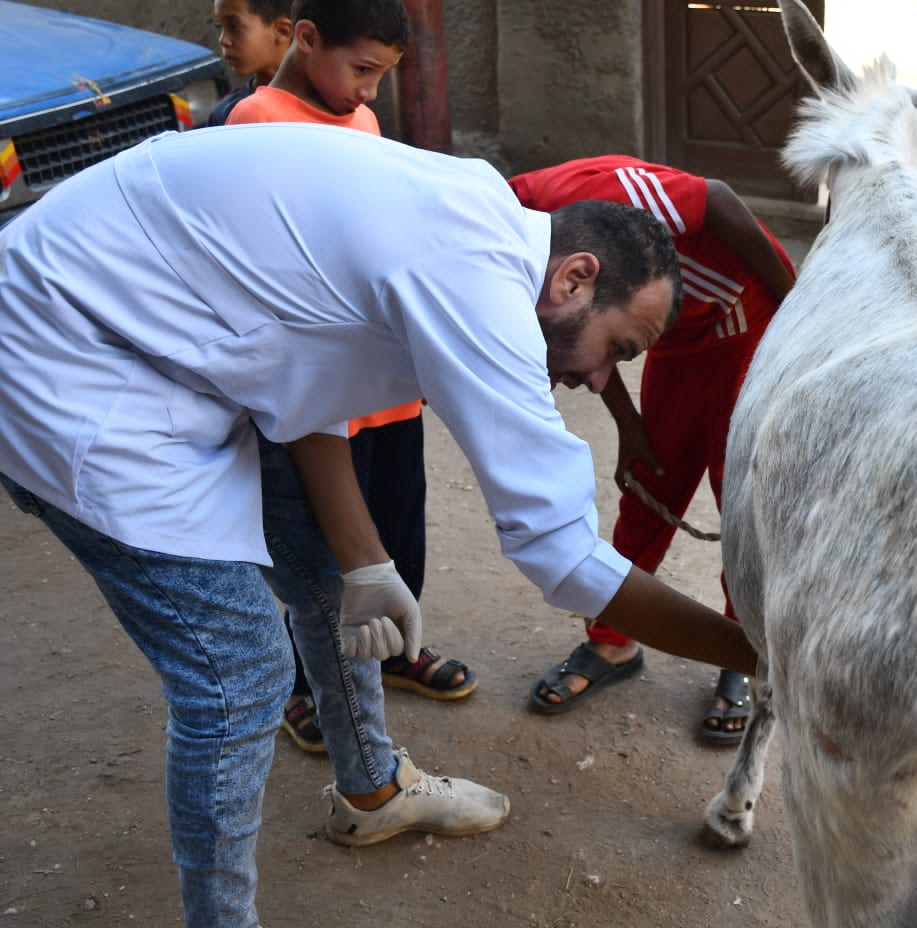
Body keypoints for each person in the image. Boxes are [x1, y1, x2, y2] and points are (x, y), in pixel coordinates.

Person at [0, 123, 758, 927]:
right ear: (574, 277)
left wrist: (363, 561)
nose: (597, 378)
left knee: (322, 561)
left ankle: (371, 790)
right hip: (63, 353)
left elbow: (304, 375)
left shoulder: (472, 210)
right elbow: (562, 555)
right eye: (618, 347)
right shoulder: (479, 283)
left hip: (140, 324)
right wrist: (760, 652)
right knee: (241, 671)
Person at [225, 0, 477, 756]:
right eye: (362, 69)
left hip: (384, 382)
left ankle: (397, 646)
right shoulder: (256, 120)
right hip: (317, 391)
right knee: (327, 547)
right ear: (305, 39)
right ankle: (309, 688)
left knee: (400, 521)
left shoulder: (361, 122)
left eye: (383, 76)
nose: (369, 92)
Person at [510, 156, 795, 744]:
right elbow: (588, 339)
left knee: (740, 494)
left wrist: (800, 305)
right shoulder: (518, 258)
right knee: (649, 478)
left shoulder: (608, 204)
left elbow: (715, 193)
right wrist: (628, 422)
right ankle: (612, 642)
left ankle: (743, 651)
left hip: (752, 323)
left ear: (576, 272)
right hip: (670, 336)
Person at [208, 0, 293, 128]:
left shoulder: (326, 101)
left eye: (234, 26)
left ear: (282, 31)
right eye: (219, 26)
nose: (223, 40)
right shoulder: (225, 115)